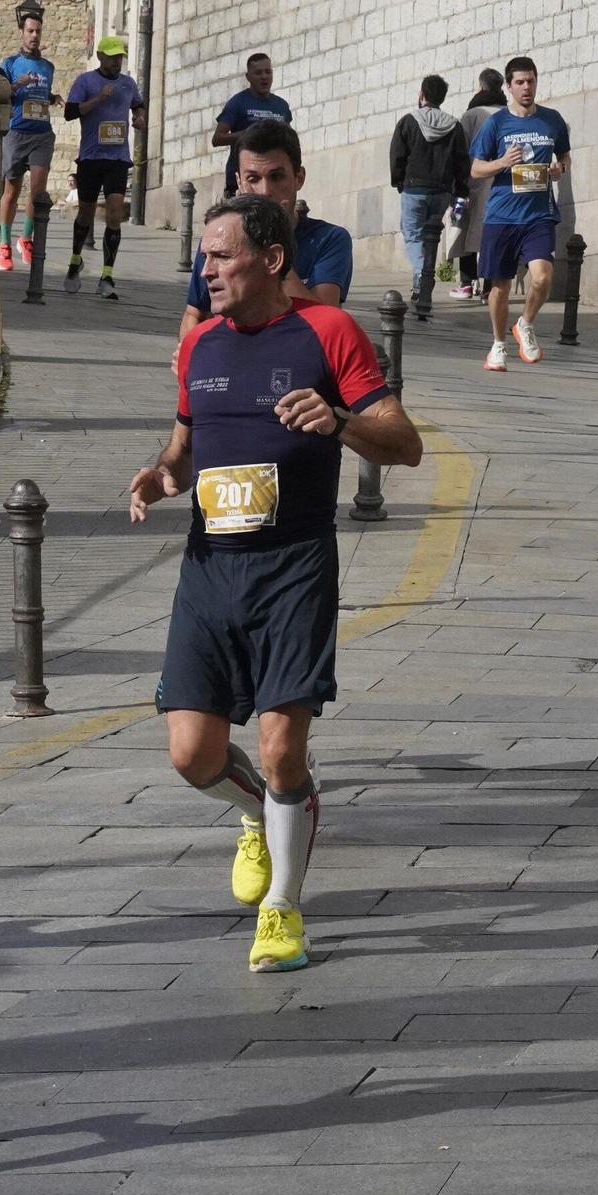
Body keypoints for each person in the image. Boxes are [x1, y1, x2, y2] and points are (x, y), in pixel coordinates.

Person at [130, 195, 422, 973]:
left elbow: (406, 443)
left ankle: (283, 908)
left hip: (293, 564)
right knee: (192, 754)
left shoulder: (329, 332)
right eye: (204, 256)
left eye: (221, 256)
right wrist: (162, 475)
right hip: (209, 565)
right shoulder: (200, 347)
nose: (207, 270)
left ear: (271, 259)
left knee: (283, 743)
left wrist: (339, 418)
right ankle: (260, 811)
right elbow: (187, 443)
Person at [175, 120, 352, 354]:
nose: (265, 191)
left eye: (276, 177)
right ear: (239, 182)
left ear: (299, 177)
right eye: (253, 179)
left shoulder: (328, 239)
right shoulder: (218, 239)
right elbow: (194, 314)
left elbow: (326, 323)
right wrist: (195, 363)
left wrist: (276, 240)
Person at [469, 55, 570, 371]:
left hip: (539, 215)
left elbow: (565, 155)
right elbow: (475, 169)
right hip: (501, 216)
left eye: (531, 81)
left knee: (543, 277)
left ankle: (525, 324)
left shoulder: (551, 119)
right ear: (509, 87)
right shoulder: (496, 123)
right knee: (500, 287)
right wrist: (502, 163)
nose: (527, 88)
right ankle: (498, 344)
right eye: (520, 83)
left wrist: (559, 169)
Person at [62, 35, 146, 300]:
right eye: (111, 58)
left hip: (118, 159)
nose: (116, 62)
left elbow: (138, 104)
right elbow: (70, 112)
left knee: (114, 212)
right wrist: (98, 99)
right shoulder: (86, 81)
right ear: (100, 57)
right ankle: (75, 260)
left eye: (119, 57)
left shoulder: (128, 83)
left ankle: (107, 275)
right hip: (90, 157)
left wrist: (139, 118)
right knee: (86, 215)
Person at [389, 74, 470, 320]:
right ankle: (422, 282)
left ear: (421, 95)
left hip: (414, 188)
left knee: (413, 235)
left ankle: (421, 277)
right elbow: (462, 161)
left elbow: (397, 155)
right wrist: (460, 191)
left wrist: (399, 181)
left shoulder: (408, 121)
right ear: (442, 98)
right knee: (431, 238)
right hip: (442, 191)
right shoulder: (454, 125)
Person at [0, 11, 58, 272]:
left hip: (42, 133)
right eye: (30, 31)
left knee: (37, 190)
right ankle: (3, 243)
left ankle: (26, 239)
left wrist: (53, 98)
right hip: (17, 132)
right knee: (11, 189)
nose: (35, 35)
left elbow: (41, 94)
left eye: (38, 31)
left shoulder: (48, 67)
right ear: (22, 32)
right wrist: (15, 85)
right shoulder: (10, 63)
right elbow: (0, 93)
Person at [452, 68, 506, 300]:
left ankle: (466, 282)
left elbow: (460, 149)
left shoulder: (472, 114)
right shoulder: (509, 113)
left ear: (481, 87)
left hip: (474, 178)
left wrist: (457, 180)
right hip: (501, 179)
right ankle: (488, 286)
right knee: (491, 231)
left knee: (465, 227)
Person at [213, 53, 292, 197]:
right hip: (244, 183)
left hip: (275, 181)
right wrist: (249, 134)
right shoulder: (237, 103)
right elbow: (217, 138)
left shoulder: (282, 106)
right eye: (258, 73)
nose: (264, 77)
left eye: (268, 72)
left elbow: (290, 141)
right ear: (248, 77)